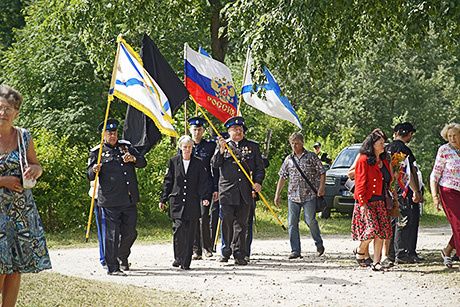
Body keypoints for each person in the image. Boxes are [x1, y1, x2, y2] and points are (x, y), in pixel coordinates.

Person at [0, 84, 51, 306]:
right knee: (1, 266)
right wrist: (3, 181)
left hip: (21, 212)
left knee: (15, 268)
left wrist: (35, 171)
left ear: (16, 113)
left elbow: (36, 164)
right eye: (0, 108)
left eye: (8, 109)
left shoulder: (24, 136)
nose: (3, 113)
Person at [86, 118, 146, 276]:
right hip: (110, 199)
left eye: (114, 133)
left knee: (130, 232)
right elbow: (89, 175)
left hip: (129, 197)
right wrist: (95, 169)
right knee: (111, 234)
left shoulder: (126, 146)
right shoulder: (97, 152)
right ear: (103, 135)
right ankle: (112, 267)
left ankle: (121, 255)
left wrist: (133, 159)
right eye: (109, 133)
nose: (112, 136)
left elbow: (142, 162)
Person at [211, 116, 265, 265]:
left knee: (242, 223)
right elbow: (215, 165)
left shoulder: (252, 146)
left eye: (240, 129)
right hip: (227, 191)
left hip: (245, 191)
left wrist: (258, 182)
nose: (238, 132)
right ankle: (226, 249)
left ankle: (239, 253)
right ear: (229, 132)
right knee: (227, 219)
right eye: (235, 129)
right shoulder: (222, 146)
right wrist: (221, 151)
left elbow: (259, 167)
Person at [159, 135, 211, 270]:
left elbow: (203, 182)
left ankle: (186, 261)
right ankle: (178, 257)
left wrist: (205, 197)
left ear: (192, 148)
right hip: (176, 202)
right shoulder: (173, 161)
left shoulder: (198, 162)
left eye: (189, 147)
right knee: (178, 229)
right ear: (181, 147)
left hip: (192, 203)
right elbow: (168, 182)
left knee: (190, 232)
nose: (187, 149)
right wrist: (163, 199)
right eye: (185, 147)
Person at [274, 132, 326, 259]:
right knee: (292, 223)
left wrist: (321, 187)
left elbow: (322, 172)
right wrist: (277, 194)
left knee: (310, 221)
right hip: (293, 196)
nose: (294, 146)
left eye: (296, 143)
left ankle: (319, 244)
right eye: (292, 143)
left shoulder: (312, 157)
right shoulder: (289, 159)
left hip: (309, 195)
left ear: (302, 143)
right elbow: (282, 177)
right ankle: (295, 250)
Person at [348, 128, 394, 267]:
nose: (383, 146)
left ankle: (376, 262)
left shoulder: (385, 160)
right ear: (373, 144)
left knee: (381, 232)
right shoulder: (363, 159)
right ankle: (360, 250)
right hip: (367, 201)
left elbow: (388, 180)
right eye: (380, 143)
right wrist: (362, 203)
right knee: (371, 230)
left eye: (383, 143)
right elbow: (360, 182)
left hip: (381, 201)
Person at [387, 122, 423, 264]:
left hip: (389, 190)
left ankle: (390, 253)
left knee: (392, 222)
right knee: (404, 221)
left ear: (395, 133)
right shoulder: (405, 150)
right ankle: (402, 254)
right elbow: (408, 173)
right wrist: (416, 191)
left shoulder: (386, 148)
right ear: (409, 134)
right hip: (403, 191)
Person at [187, 117, 218, 260]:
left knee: (204, 217)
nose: (197, 132)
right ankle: (196, 249)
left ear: (203, 130)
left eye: (199, 129)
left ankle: (207, 246)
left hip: (206, 186)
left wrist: (216, 188)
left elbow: (216, 168)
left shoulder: (210, 146)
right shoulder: (186, 145)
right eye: (194, 129)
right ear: (190, 130)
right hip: (190, 187)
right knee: (193, 218)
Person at [430, 123, 460, 270]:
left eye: (455, 135)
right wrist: (435, 197)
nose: (452, 138)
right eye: (449, 136)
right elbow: (434, 176)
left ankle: (447, 250)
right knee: (458, 224)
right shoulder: (444, 150)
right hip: (449, 190)